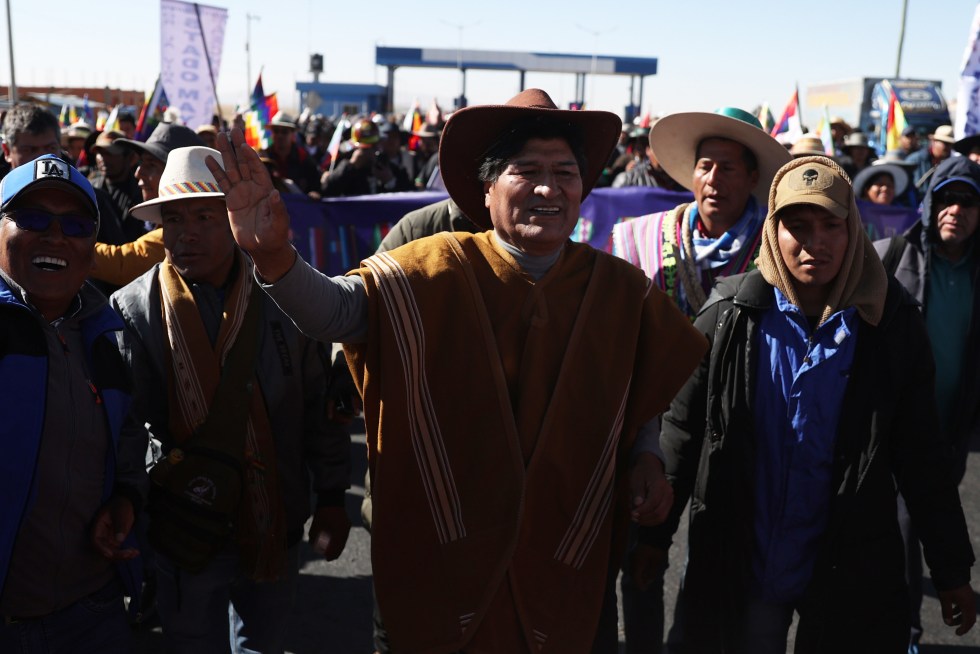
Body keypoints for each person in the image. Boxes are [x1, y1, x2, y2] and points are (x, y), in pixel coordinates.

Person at [208, 88, 708, 653]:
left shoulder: (620, 289)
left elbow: (638, 386)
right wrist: (274, 256)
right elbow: (335, 310)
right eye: (528, 171)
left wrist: (647, 455)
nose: (549, 188)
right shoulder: (433, 265)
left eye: (565, 172)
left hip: (565, 553)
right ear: (487, 188)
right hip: (442, 554)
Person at [640, 155, 976, 652]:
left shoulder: (893, 324)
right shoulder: (730, 315)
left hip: (845, 563)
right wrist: (652, 539)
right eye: (796, 226)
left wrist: (950, 569)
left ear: (853, 230)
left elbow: (921, 455)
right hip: (745, 559)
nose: (815, 242)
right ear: (773, 231)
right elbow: (683, 433)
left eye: (830, 225)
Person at [111, 146, 352, 652]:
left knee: (263, 642)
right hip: (182, 521)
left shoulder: (288, 295)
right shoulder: (132, 308)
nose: (187, 232)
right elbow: (126, 430)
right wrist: (128, 504)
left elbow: (317, 407)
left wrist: (331, 496)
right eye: (173, 218)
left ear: (234, 219)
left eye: (204, 215)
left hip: (275, 516)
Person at [611, 106, 790, 652]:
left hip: (742, 427)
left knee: (719, 556)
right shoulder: (639, 238)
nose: (715, 180)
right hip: (652, 420)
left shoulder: (779, 247)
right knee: (640, 546)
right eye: (706, 166)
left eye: (729, 168)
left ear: (754, 177)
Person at [0, 154, 145, 652]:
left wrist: (125, 498)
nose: (56, 236)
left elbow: (127, 437)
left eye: (76, 224)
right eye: (34, 218)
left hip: (92, 608)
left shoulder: (108, 335)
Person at [874, 156, 980, 651]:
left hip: (951, 432)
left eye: (969, 201)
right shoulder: (890, 257)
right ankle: (905, 632)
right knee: (901, 526)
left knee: (918, 525)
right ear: (931, 202)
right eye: (948, 198)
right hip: (890, 427)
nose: (956, 210)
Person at [90, 123, 206, 288]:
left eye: (151, 165)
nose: (138, 172)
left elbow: (122, 264)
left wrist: (68, 242)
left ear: (182, 177)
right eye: (141, 163)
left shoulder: (179, 231)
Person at [89, 130, 143, 240]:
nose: (102, 158)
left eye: (109, 153)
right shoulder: (89, 188)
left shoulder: (141, 193)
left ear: (128, 158)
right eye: (99, 152)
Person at [260, 111, 321, 197]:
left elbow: (316, 188)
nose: (280, 135)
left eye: (284, 132)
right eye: (276, 131)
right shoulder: (264, 158)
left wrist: (314, 194)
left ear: (293, 135)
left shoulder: (304, 159)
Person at [906, 125, 955, 195]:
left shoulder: (951, 165)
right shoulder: (914, 161)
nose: (948, 147)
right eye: (945, 143)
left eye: (950, 144)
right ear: (934, 141)